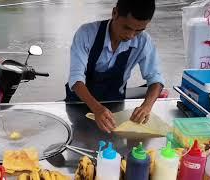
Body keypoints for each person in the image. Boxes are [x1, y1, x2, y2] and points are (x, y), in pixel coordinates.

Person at [65, 0, 165, 133]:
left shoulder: (143, 41)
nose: (131, 36)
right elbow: (76, 79)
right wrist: (97, 109)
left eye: (138, 31)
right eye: (127, 28)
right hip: (79, 104)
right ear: (114, 13)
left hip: (115, 106)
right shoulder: (87, 34)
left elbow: (156, 78)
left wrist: (146, 106)